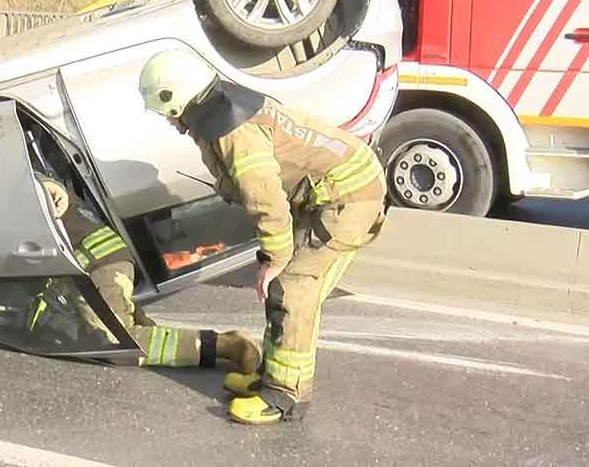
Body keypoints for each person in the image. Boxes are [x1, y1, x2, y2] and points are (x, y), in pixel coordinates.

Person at [138, 48, 387, 425]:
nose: (171, 123)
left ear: (176, 99)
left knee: (293, 287)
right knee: (280, 288)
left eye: (167, 113)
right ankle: (273, 375)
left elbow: (264, 196)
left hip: (348, 198)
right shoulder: (220, 111)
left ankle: (286, 395)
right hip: (327, 194)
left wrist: (275, 257)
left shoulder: (233, 129)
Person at [31, 170, 260, 373]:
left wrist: (47, 184)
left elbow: (46, 188)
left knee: (117, 345)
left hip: (99, 264)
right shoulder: (23, 177)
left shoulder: (32, 185)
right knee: (138, 332)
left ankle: (227, 345)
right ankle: (183, 341)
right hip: (99, 263)